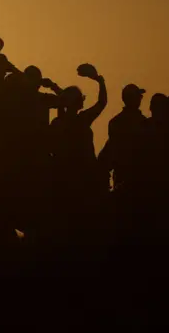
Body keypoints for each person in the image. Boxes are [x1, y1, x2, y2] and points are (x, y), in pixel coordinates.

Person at [50, 65, 108, 239]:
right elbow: (102, 103)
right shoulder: (82, 120)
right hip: (84, 178)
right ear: (77, 102)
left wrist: (56, 89)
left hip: (63, 179)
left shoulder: (57, 123)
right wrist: (100, 81)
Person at [99, 83, 147, 191]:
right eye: (139, 96)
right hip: (139, 180)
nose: (140, 99)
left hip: (122, 179)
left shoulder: (115, 122)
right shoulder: (143, 123)